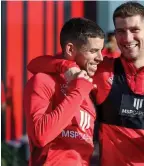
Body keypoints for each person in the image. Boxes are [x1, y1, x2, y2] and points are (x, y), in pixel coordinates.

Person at [27, 2, 144, 165]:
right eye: (120, 31)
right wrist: (66, 65)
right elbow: (35, 64)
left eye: (134, 30)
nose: (127, 38)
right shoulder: (102, 70)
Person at [23, 18, 105, 165]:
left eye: (101, 51)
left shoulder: (88, 87)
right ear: (70, 49)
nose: (100, 58)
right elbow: (41, 135)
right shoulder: (43, 81)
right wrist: (77, 91)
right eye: (93, 51)